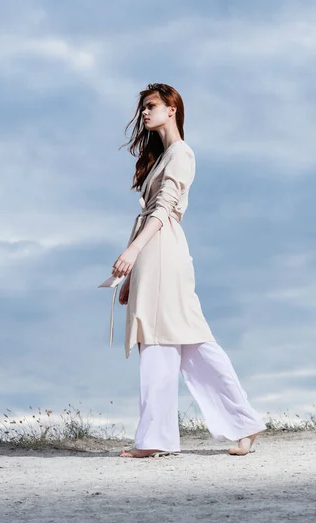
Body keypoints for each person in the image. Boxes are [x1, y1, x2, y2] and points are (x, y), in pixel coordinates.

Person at [110, 83, 266, 458]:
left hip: (163, 249)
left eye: (151, 106)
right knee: (169, 343)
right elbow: (154, 211)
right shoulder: (162, 156)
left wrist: (132, 251)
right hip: (154, 252)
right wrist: (132, 276)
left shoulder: (182, 153)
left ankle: (235, 424)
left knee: (183, 339)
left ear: (172, 109)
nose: (144, 113)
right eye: (143, 108)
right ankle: (166, 436)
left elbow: (163, 209)